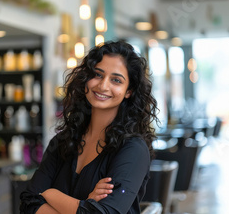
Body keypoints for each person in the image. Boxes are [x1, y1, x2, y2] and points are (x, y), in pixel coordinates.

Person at [20, 41, 159, 213]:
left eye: (116, 80)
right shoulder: (63, 141)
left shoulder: (133, 149)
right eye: (98, 75)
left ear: (128, 91)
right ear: (86, 79)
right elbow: (28, 204)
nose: (103, 85)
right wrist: (85, 205)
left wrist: (52, 194)